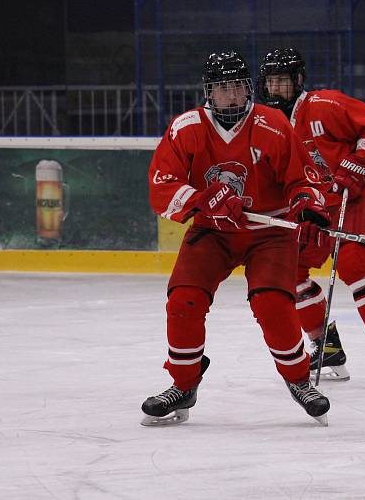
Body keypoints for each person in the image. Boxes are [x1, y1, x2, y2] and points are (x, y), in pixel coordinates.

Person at [140, 51, 332, 426]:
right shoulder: (187, 128)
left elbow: (301, 178)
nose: (231, 96)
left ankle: (299, 379)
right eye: (222, 88)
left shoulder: (272, 124)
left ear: (249, 89)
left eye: (238, 87)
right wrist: (200, 200)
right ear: (209, 92)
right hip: (214, 232)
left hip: (269, 232)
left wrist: (307, 207)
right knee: (183, 300)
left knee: (273, 304)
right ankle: (184, 383)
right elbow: (161, 185)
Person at [257, 48, 365, 387]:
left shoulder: (325, 105)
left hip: (357, 196)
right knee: (290, 270)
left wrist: (361, 162)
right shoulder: (270, 123)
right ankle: (328, 348)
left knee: (353, 264)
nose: (275, 88)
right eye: (270, 82)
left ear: (297, 80)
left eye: (281, 81)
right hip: (318, 205)